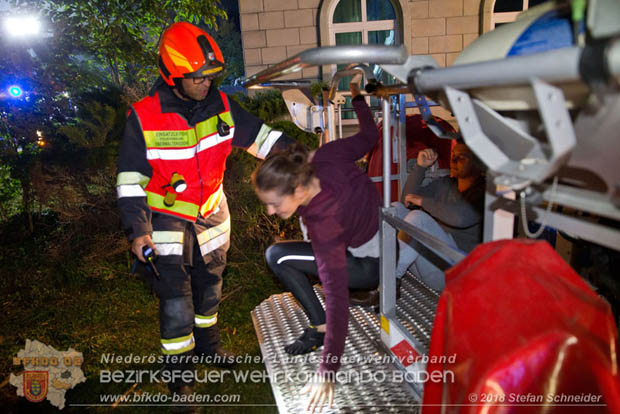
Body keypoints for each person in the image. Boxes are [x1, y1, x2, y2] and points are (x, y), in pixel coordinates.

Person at [115, 22, 293, 407]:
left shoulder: (224, 107)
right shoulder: (144, 117)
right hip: (165, 220)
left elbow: (264, 140)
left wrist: (306, 155)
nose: (205, 84)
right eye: (196, 78)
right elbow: (130, 181)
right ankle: (180, 380)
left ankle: (209, 350)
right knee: (176, 301)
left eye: (210, 77)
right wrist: (137, 230)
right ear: (171, 75)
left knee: (210, 287)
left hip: (213, 212)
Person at [252, 82, 381, 411]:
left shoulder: (323, 221)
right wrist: (357, 98)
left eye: (274, 203)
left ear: (296, 189)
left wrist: (327, 372)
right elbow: (370, 137)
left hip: (368, 265)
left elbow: (337, 301)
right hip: (374, 239)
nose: (270, 210)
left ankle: (319, 326)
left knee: (276, 255)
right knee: (286, 249)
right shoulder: (326, 155)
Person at [394, 141, 485, 291]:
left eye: (462, 157)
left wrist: (423, 201)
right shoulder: (446, 184)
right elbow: (407, 200)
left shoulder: (485, 193)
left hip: (456, 272)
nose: (454, 161)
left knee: (418, 218)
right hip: (432, 263)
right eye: (453, 156)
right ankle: (377, 266)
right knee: (396, 210)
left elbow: (461, 218)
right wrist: (420, 167)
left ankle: (388, 280)